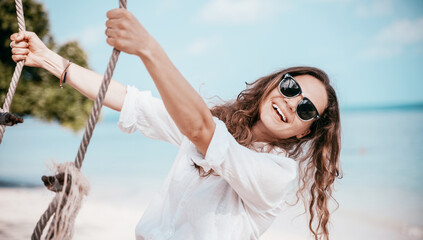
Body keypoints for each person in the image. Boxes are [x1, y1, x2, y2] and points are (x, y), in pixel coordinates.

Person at [10, 8, 341, 240]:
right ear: (274, 84)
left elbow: (202, 131)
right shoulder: (213, 126)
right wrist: (49, 60)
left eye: (306, 109)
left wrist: (148, 48)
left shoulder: (275, 173)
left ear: (305, 130)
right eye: (290, 87)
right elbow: (130, 102)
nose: (291, 102)